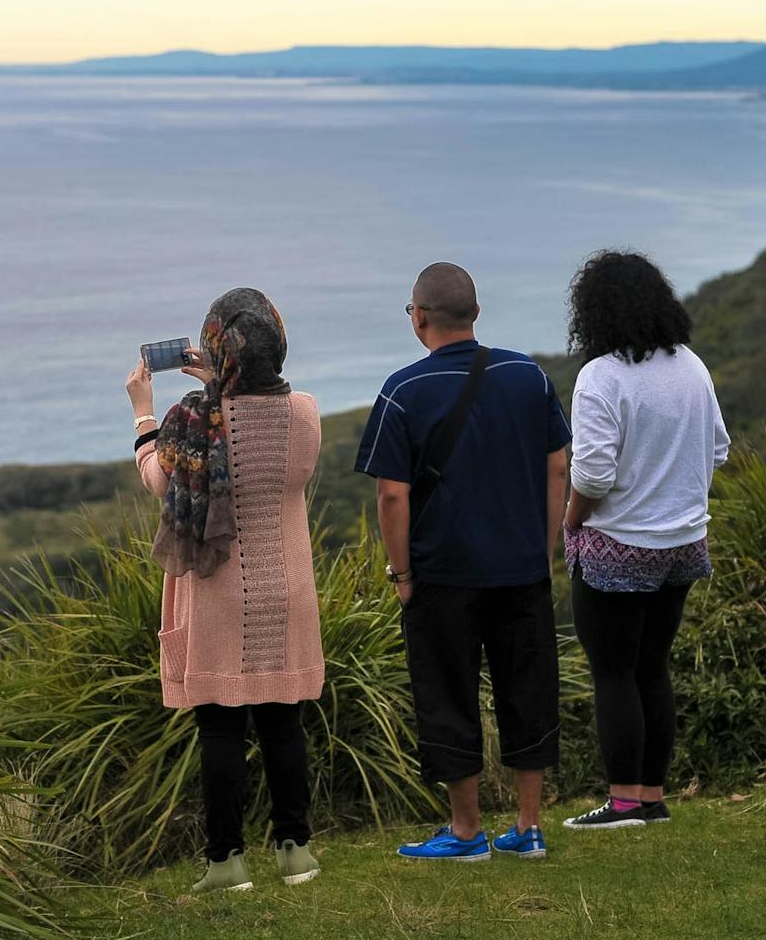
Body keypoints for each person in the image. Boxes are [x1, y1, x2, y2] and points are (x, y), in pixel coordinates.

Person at [354, 262, 571, 862]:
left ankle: (468, 831)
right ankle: (528, 827)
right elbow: (558, 465)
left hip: (442, 574)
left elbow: (392, 494)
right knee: (528, 690)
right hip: (521, 566)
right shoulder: (527, 374)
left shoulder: (403, 391)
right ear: (475, 313)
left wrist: (401, 576)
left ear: (419, 316)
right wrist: (544, 546)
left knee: (448, 696)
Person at [125, 288, 326, 891]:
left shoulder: (191, 417)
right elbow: (262, 429)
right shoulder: (305, 414)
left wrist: (142, 412)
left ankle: (226, 861)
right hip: (286, 590)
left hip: (217, 594)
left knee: (219, 730)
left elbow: (161, 482)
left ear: (218, 346)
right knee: (282, 725)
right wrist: (227, 380)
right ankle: (296, 853)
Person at [559, 251, 729, 831]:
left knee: (614, 673)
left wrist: (571, 517)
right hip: (683, 542)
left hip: (618, 544)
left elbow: (593, 476)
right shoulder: (692, 367)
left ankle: (625, 803)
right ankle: (651, 797)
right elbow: (719, 448)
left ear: (594, 311)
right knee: (652, 668)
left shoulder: (601, 376)